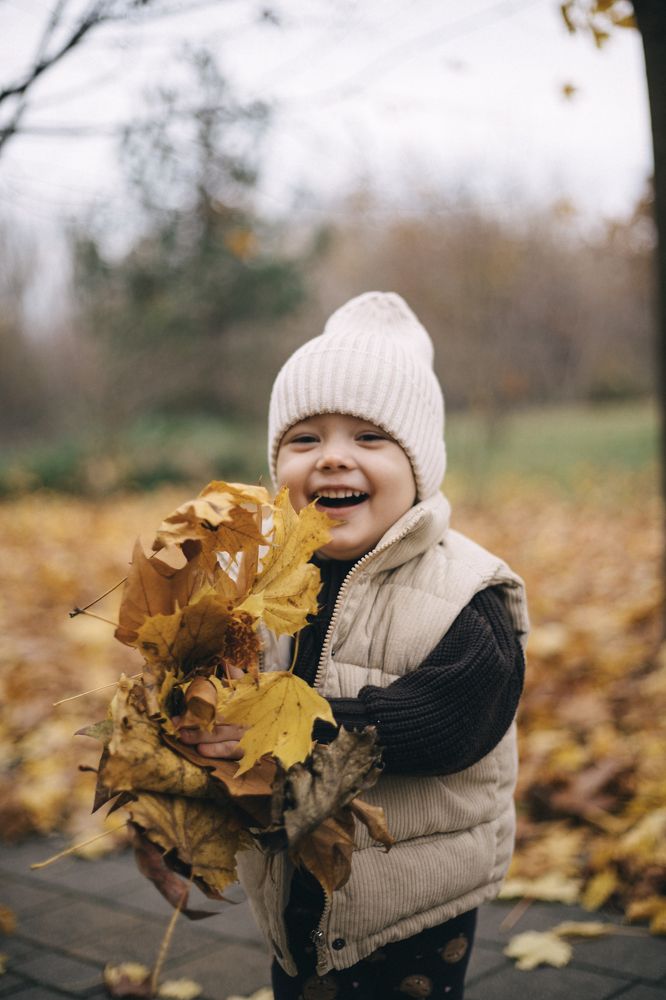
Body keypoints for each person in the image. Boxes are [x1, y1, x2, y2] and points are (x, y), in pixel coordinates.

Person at [178, 291, 529, 1000]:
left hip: (416, 903)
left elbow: (453, 724)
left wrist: (295, 727)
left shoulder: (468, 590)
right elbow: (221, 705)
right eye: (305, 440)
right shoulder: (263, 587)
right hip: (294, 881)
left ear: (420, 464)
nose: (333, 459)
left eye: (369, 438)